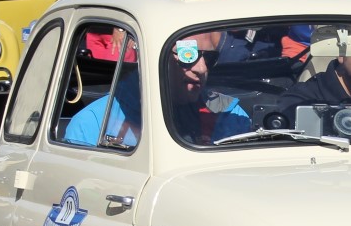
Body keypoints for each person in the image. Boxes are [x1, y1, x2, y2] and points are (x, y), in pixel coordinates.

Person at [63, 34, 248, 148]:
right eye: (188, 56)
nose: (201, 69)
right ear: (153, 58)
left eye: (209, 57)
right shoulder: (93, 124)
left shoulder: (229, 114)